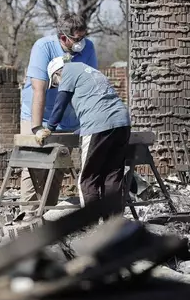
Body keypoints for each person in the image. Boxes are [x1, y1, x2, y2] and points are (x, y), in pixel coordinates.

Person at [19, 13, 98, 219]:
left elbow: (88, 86)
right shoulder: (43, 47)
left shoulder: (88, 48)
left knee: (58, 166)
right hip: (38, 113)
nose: (81, 43)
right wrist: (37, 128)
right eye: (76, 39)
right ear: (63, 37)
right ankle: (28, 215)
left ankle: (47, 216)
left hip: (66, 116)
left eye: (83, 37)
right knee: (34, 163)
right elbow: (39, 89)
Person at [34, 57, 131, 218]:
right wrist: (81, 129)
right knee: (112, 177)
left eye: (56, 83)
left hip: (99, 125)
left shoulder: (68, 70)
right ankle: (114, 227)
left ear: (57, 73)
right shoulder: (90, 71)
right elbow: (99, 101)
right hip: (122, 122)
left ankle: (92, 227)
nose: (58, 86)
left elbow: (61, 103)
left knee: (87, 180)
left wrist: (48, 128)